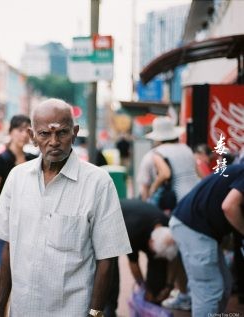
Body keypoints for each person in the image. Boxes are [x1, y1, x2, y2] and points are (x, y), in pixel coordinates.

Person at [0, 98, 132, 317]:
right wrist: (0, 307)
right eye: (45, 134)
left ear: (75, 133)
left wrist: (95, 313)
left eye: (62, 133)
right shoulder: (16, 178)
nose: (54, 141)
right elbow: (10, 245)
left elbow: (108, 258)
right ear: (32, 136)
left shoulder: (98, 182)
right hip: (23, 310)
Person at [169, 164, 244, 316]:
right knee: (209, 289)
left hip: (197, 226)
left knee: (223, 284)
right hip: (193, 227)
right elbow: (229, 206)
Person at [104, 199, 189, 316]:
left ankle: (153, 305)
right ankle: (109, 309)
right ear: (150, 241)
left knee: (159, 271)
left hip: (143, 225)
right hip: (112, 224)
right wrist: (143, 288)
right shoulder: (132, 233)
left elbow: (173, 259)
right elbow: (134, 264)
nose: (154, 256)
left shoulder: (168, 227)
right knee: (110, 271)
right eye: (154, 253)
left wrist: (168, 286)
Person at [0, 114, 37, 267]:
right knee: (5, 269)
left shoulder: (33, 159)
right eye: (19, 130)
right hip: (5, 221)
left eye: (27, 130)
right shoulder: (0, 160)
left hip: (29, 222)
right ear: (11, 132)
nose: (23, 134)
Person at [144, 116, 200, 211]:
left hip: (178, 199)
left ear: (157, 138)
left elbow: (165, 173)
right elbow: (199, 173)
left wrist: (153, 188)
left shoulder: (157, 152)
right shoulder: (186, 148)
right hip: (196, 194)